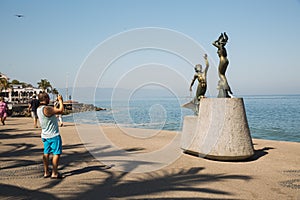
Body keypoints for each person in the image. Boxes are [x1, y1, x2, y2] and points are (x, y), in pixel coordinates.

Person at [37, 92, 64, 179]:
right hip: (53, 135)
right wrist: (60, 101)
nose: (49, 99)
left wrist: (56, 104)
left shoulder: (39, 109)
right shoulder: (47, 109)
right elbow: (61, 111)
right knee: (56, 153)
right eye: (48, 98)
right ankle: (54, 173)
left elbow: (53, 111)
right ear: (45, 99)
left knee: (46, 153)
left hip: (45, 135)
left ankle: (46, 172)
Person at [212, 32, 233, 98]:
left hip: (222, 60)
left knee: (221, 74)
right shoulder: (223, 48)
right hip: (225, 60)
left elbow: (213, 43)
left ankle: (226, 87)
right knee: (222, 75)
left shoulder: (220, 47)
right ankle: (226, 88)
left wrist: (218, 41)